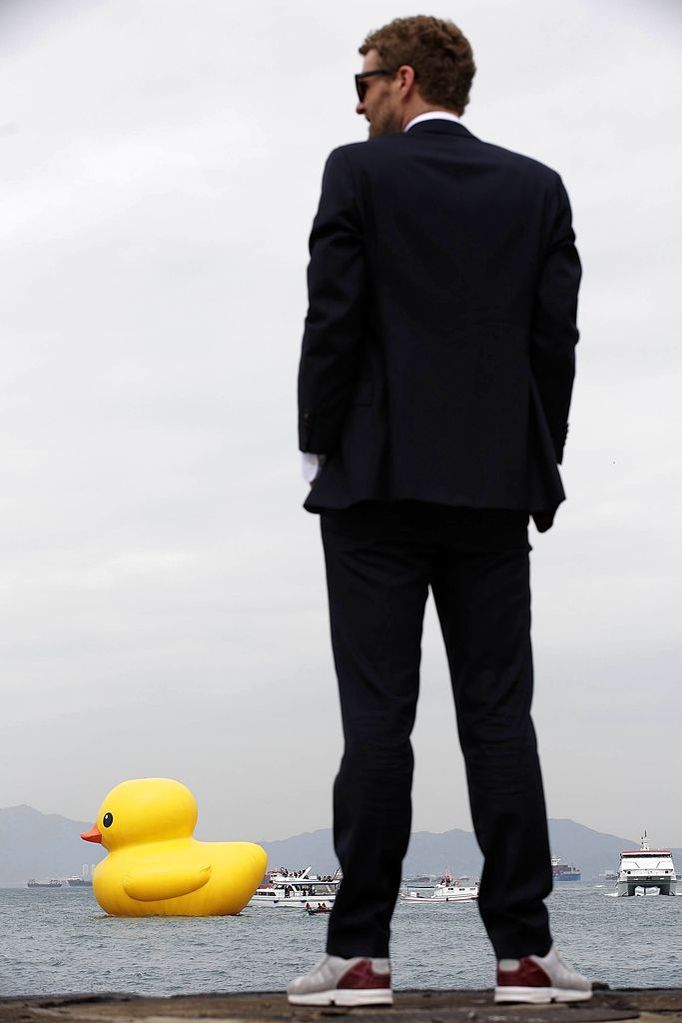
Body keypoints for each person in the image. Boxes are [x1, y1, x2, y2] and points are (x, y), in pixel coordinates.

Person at [289, 15, 589, 1009]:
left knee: (378, 719)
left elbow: (332, 317)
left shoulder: (356, 175)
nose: (357, 98)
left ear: (405, 80)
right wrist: (533, 457)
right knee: (500, 717)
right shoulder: (536, 189)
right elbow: (555, 346)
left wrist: (317, 440)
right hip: (495, 491)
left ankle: (361, 957)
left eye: (364, 80)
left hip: (374, 485)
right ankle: (524, 959)